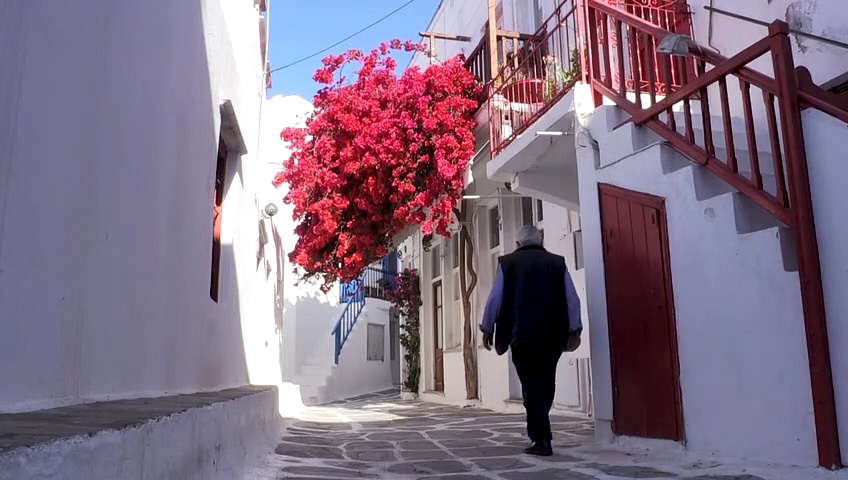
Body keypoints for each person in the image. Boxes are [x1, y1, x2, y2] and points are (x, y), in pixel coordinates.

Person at [480, 225, 582, 456]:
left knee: (531, 385)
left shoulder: (508, 263)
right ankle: (541, 431)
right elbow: (572, 299)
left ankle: (542, 439)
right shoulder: (557, 263)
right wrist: (575, 328)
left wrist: (487, 327)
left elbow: (495, 298)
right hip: (552, 335)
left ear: (517, 244)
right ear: (541, 240)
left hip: (521, 334)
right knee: (546, 383)